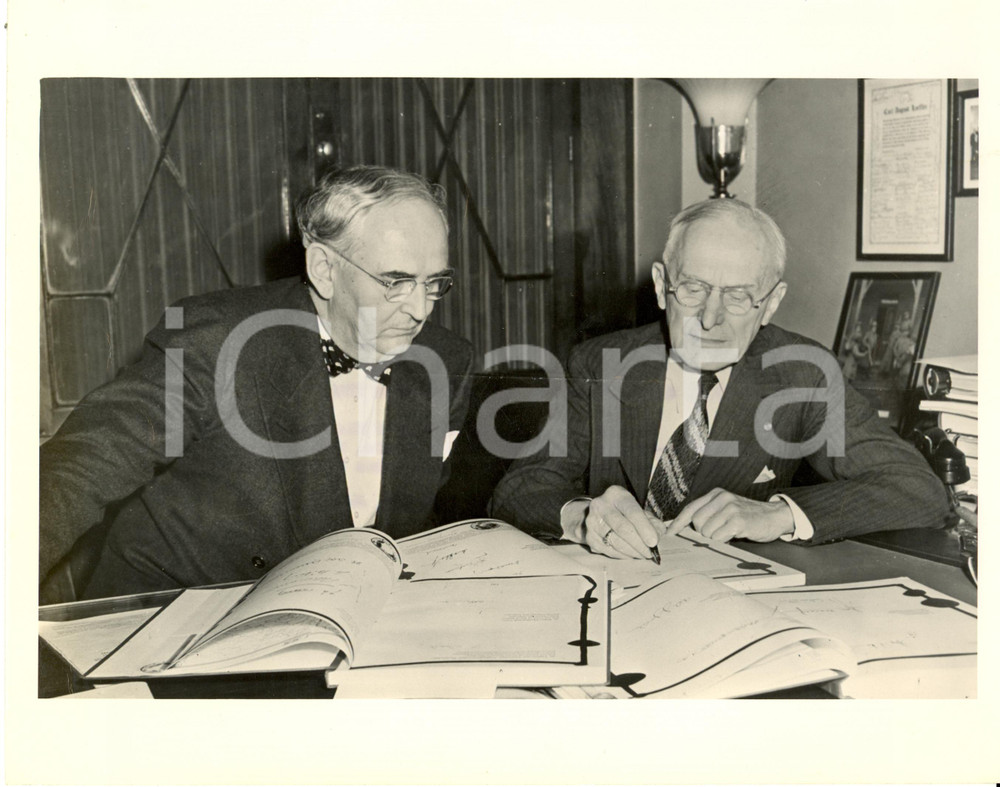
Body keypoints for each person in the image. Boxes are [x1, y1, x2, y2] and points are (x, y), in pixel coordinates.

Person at [40, 165, 474, 597]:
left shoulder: (443, 360)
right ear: (324, 268)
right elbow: (81, 468)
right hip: (168, 617)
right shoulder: (213, 342)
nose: (421, 309)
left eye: (434, 283)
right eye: (396, 282)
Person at [490, 199, 948, 560]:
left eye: (738, 296)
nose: (710, 318)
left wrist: (777, 516)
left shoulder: (802, 373)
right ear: (661, 285)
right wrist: (582, 516)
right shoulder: (602, 363)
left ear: (770, 303)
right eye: (693, 289)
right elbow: (518, 491)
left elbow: (918, 490)